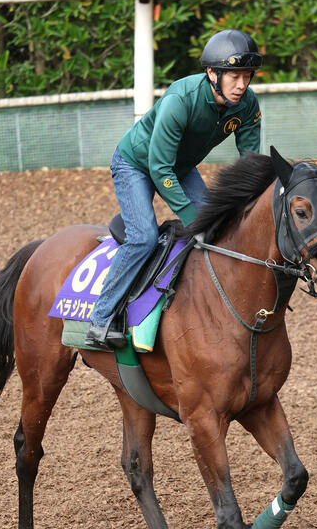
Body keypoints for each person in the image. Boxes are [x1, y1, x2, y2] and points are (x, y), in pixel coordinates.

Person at [84, 28, 263, 350]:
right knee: (143, 238)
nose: (241, 85)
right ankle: (100, 320)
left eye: (247, 76)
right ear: (212, 72)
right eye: (234, 76)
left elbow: (250, 161)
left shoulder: (247, 105)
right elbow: (158, 167)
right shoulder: (181, 99)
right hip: (136, 164)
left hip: (178, 167)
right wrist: (193, 218)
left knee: (219, 228)